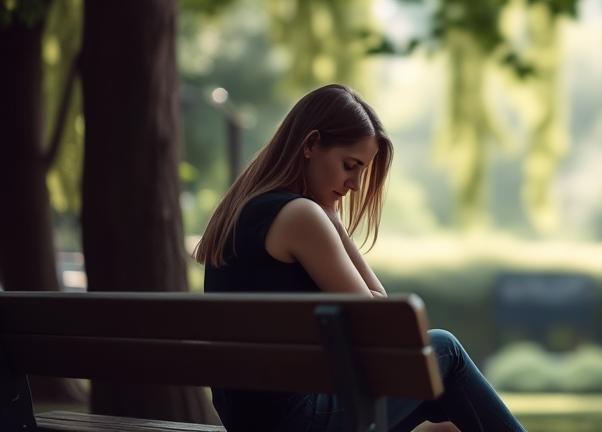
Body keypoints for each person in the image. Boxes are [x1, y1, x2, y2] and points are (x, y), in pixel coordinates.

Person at [193, 84, 526, 432]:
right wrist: (334, 222)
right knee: (445, 352)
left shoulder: (240, 210)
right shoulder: (300, 217)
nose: (354, 184)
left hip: (248, 421)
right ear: (310, 145)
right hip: (295, 423)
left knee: (440, 386)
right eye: (350, 166)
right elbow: (383, 325)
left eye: (361, 172)